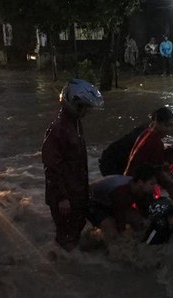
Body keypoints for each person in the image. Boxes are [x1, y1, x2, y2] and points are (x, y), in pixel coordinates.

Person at [41, 79, 104, 251]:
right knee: (65, 237)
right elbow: (52, 167)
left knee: (75, 231)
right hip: (65, 195)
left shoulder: (75, 124)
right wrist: (62, 197)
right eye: (85, 107)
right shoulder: (58, 129)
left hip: (75, 191)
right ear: (74, 105)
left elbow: (77, 162)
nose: (87, 112)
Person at [124, 107, 173, 200]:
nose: (168, 129)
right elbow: (160, 173)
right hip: (136, 183)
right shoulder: (156, 142)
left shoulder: (145, 132)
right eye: (166, 125)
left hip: (127, 178)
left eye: (170, 126)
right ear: (157, 122)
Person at [88, 165, 157, 242]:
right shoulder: (121, 191)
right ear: (140, 182)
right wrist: (123, 231)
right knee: (114, 234)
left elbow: (146, 211)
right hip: (95, 204)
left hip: (114, 204)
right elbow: (119, 215)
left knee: (139, 221)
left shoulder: (142, 190)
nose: (155, 187)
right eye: (152, 184)